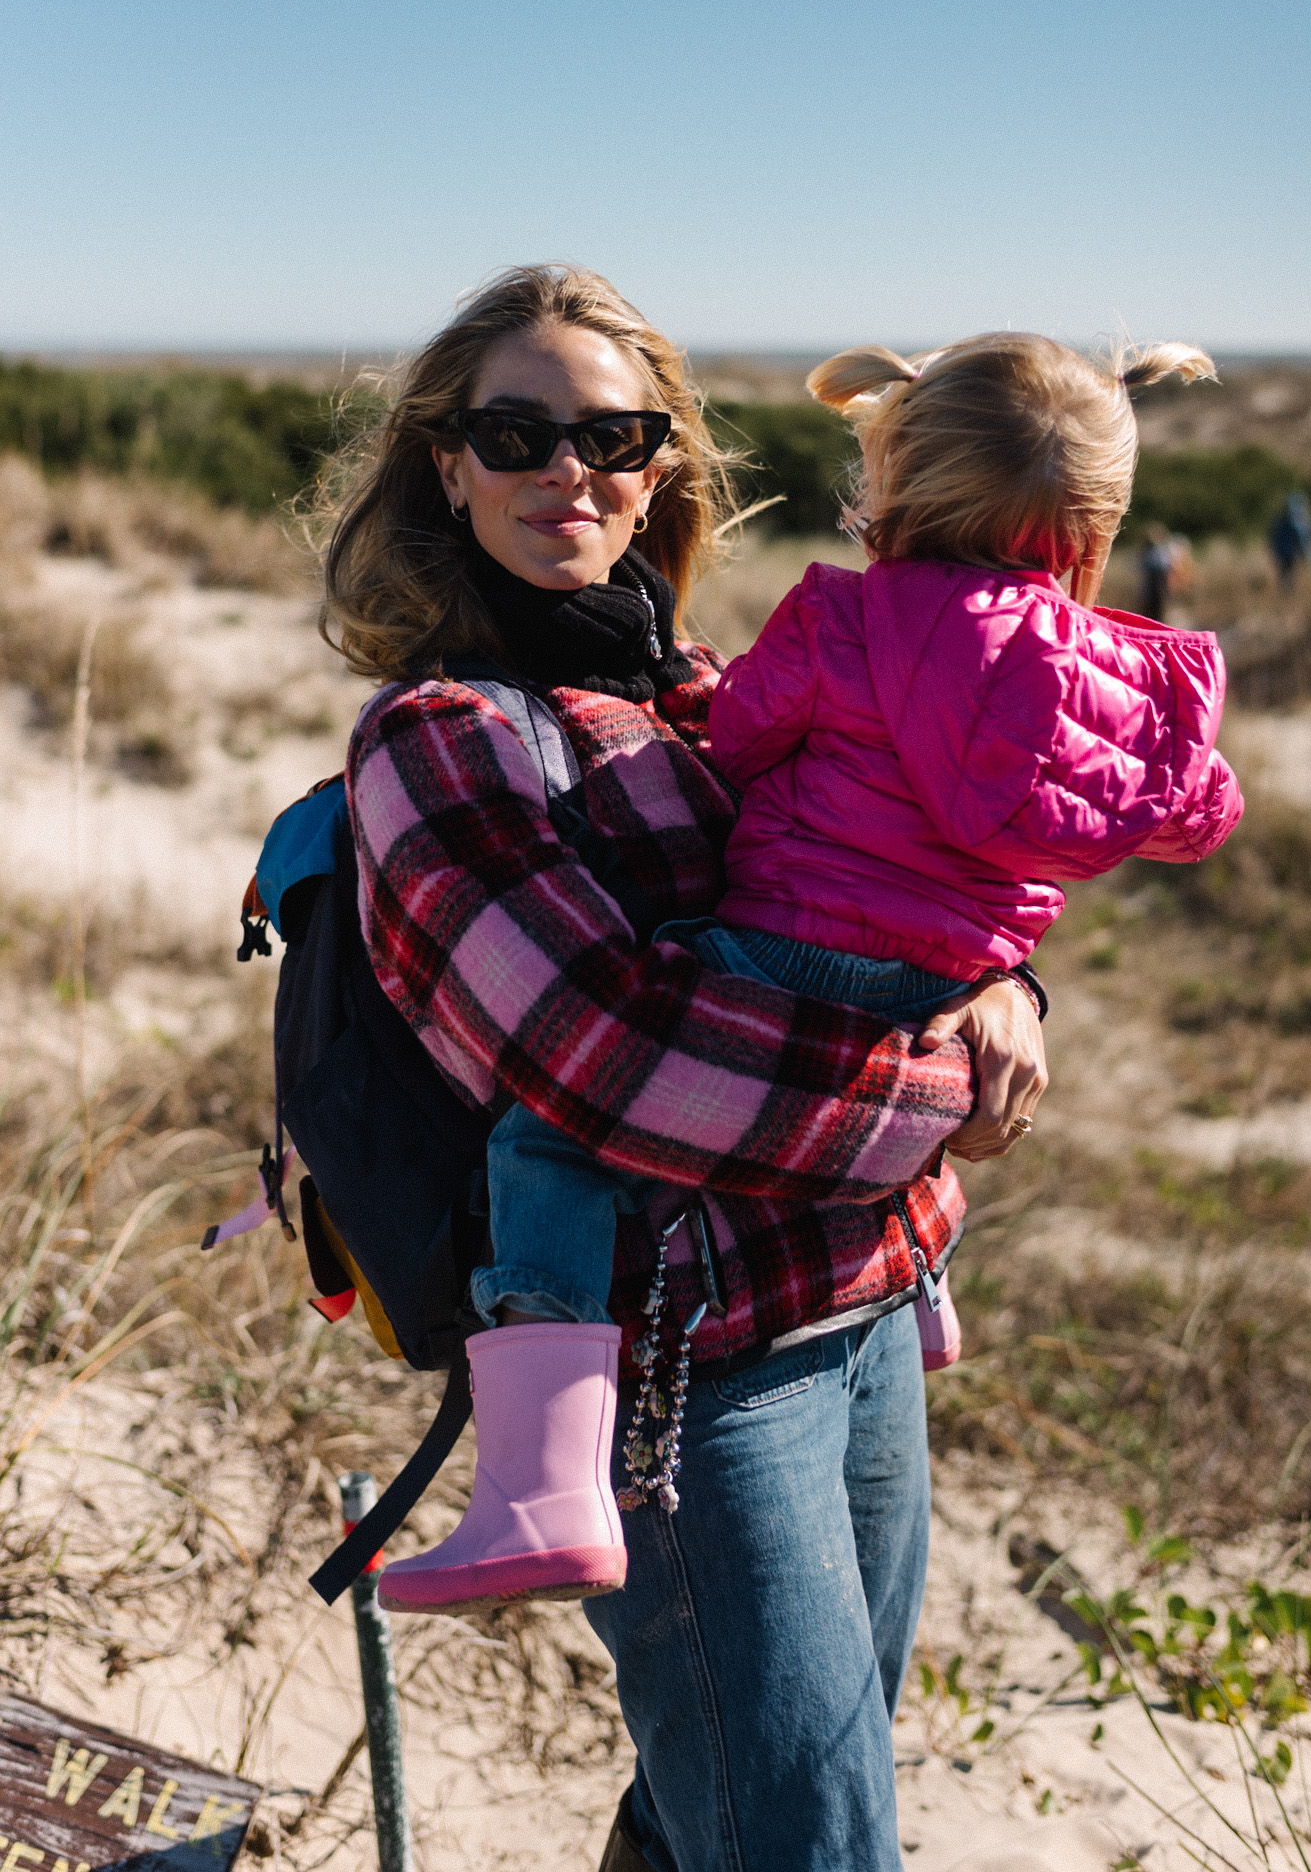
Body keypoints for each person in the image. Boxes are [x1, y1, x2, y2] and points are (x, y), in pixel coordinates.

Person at [318, 265, 1046, 1872]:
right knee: (810, 1841)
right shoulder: (440, 739)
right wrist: (943, 1095)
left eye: (613, 434)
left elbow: (921, 880)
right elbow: (613, 1060)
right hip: (684, 1379)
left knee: (725, 1802)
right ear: (446, 463)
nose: (565, 472)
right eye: (515, 433)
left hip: (863, 1319)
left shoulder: (720, 694)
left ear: (663, 468)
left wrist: (1009, 982)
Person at [1269, 489, 1311, 589]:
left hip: (1281, 551)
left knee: (1286, 573)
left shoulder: (1280, 519)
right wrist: (1308, 554)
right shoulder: (1298, 519)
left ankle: (1286, 593)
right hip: (1288, 551)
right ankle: (1288, 593)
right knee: (1289, 573)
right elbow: (1304, 536)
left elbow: (1272, 536)